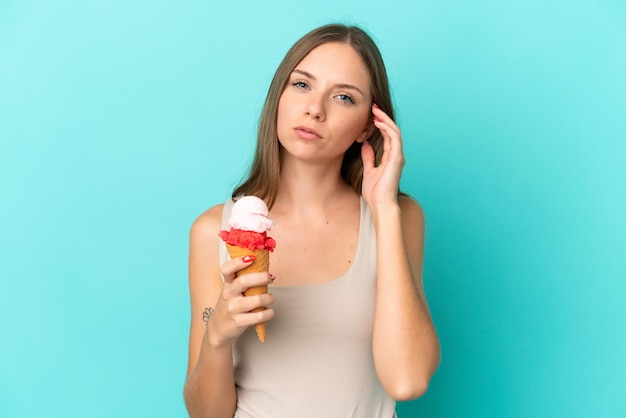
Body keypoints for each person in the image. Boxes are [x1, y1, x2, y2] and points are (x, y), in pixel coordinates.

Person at [183, 23, 440, 418]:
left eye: (343, 97)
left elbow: (407, 380)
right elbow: (205, 414)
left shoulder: (398, 217)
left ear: (368, 126)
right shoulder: (211, 231)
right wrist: (216, 336)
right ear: (279, 97)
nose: (314, 109)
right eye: (302, 85)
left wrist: (383, 209)